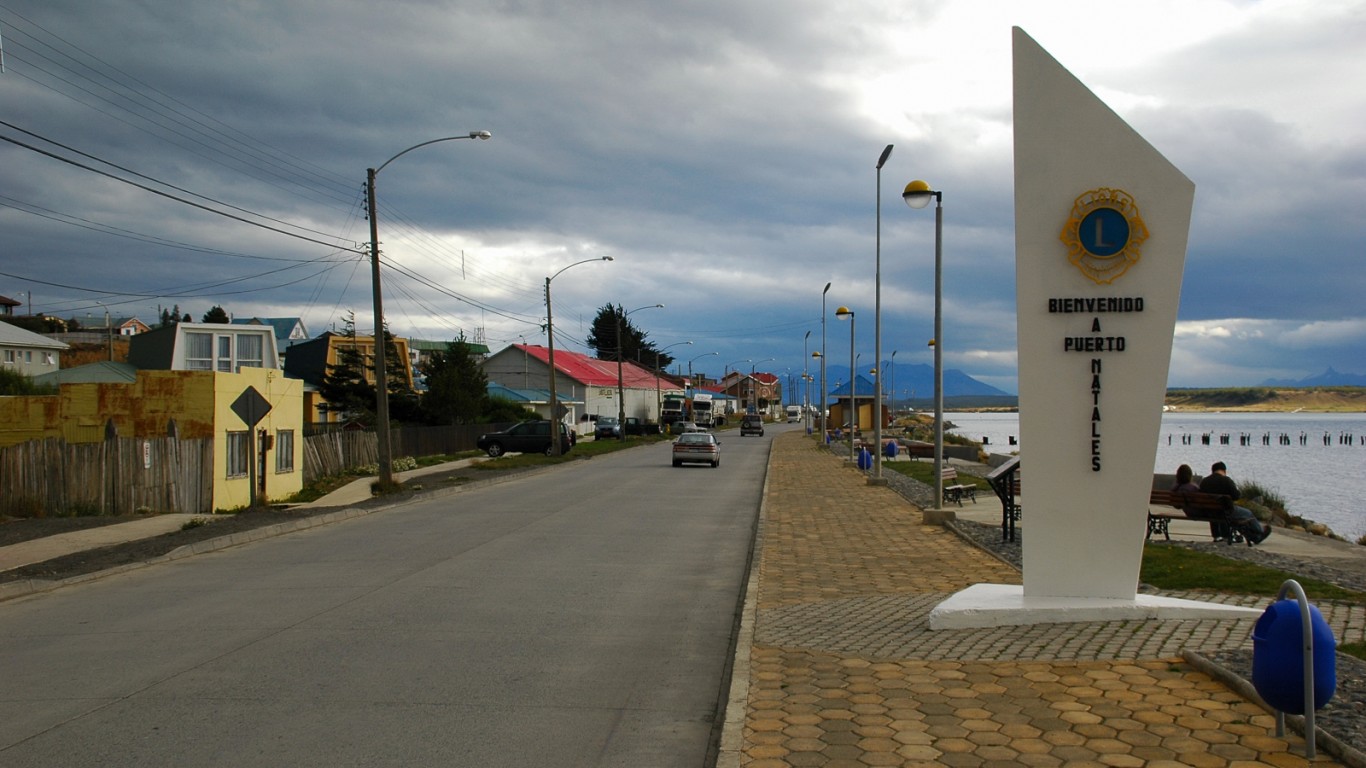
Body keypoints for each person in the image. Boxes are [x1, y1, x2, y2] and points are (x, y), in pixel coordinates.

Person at [1198, 461, 1271, 545]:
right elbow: (1236, 496)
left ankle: (1255, 538)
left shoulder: (1204, 482)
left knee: (1229, 514)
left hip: (1209, 512)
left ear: (1213, 471)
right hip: (1226, 512)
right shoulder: (1226, 480)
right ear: (1224, 471)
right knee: (1247, 513)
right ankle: (1260, 531)